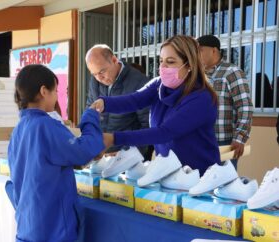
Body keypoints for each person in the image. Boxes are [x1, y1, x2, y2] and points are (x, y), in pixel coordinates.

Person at [91, 35, 220, 175]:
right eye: (161, 61)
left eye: (170, 62)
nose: (163, 67)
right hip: (168, 174)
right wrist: (103, 103)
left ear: (189, 64)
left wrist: (114, 138)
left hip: (200, 176)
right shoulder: (159, 85)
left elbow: (165, 133)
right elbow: (135, 100)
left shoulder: (201, 98)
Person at [7, 64, 104, 242]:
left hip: (29, 223)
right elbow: (83, 151)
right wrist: (90, 117)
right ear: (44, 91)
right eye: (55, 91)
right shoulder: (45, 126)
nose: (56, 96)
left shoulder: (19, 128)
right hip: (52, 227)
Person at [85, 44, 151, 159]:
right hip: (100, 156)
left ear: (114, 60)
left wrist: (128, 154)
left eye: (101, 72)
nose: (99, 78)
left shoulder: (139, 82)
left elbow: (148, 126)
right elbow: (89, 110)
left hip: (128, 158)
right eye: (94, 74)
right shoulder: (95, 81)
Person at [197, 35, 253, 168]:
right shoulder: (198, 76)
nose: (196, 55)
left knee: (223, 185)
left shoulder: (231, 72)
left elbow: (244, 107)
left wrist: (239, 138)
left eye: (200, 50)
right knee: (200, 183)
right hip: (201, 140)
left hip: (224, 143)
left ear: (214, 50)